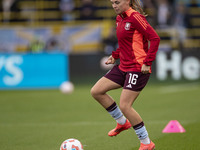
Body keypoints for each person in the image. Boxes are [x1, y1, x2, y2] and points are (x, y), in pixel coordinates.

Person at [90, 0, 160, 150]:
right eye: (112, 3)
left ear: (128, 1)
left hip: (138, 68)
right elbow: (125, 44)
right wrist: (115, 55)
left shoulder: (136, 17)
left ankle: (147, 143)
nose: (114, 5)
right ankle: (122, 123)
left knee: (125, 105)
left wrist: (147, 62)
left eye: (117, 2)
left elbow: (154, 38)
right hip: (123, 66)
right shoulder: (119, 18)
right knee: (96, 91)